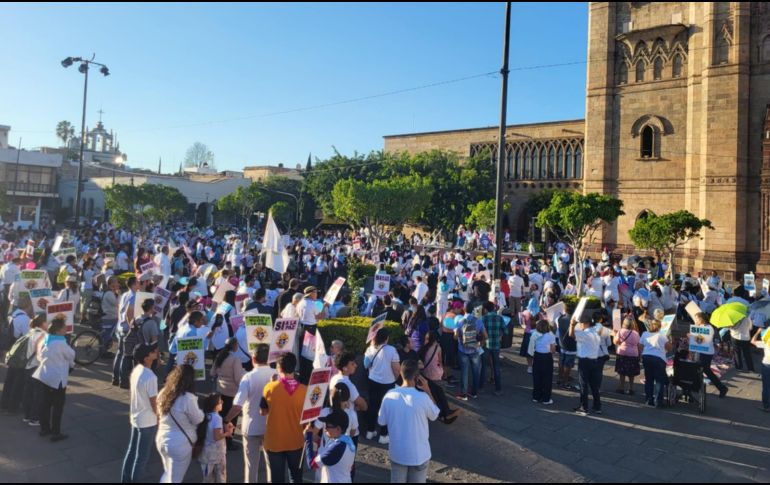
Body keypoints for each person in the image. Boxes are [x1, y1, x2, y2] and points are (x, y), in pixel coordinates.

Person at [378, 359, 440, 484]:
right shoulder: (423, 398)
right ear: (417, 377)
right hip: (419, 454)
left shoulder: (389, 395)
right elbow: (434, 415)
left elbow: (381, 421)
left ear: (401, 373)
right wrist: (428, 390)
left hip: (398, 453)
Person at [224, 344, 276, 483]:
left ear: (253, 358)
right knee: (271, 465)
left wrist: (226, 420)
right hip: (270, 427)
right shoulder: (276, 375)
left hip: (251, 427)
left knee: (251, 466)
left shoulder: (248, 377)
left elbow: (237, 405)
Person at [260, 352, 306, 484]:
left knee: (277, 479)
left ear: (279, 368)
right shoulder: (304, 390)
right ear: (294, 367)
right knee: (296, 478)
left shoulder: (269, 387)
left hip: (275, 441)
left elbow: (263, 411)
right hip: (296, 441)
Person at [156, 365, 205, 483]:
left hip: (162, 439)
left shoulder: (163, 393)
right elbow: (198, 419)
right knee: (175, 479)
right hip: (180, 443)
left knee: (168, 474)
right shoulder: (188, 398)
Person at [32, 317, 76, 441]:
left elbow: (40, 355)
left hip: (45, 376)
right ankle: (56, 433)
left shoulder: (46, 339)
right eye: (64, 327)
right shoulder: (61, 343)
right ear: (58, 330)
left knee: (45, 404)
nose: (66, 328)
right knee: (58, 406)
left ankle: (44, 429)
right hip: (58, 379)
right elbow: (71, 355)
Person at [121, 343, 159, 483]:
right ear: (146, 357)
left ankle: (125, 480)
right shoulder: (151, 377)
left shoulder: (137, 370)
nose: (155, 351)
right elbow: (154, 402)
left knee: (131, 452)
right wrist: (160, 418)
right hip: (147, 421)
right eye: (152, 351)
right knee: (142, 458)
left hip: (136, 416)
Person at [363, 328, 400, 444]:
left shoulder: (370, 349)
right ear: (387, 338)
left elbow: (365, 365)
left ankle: (370, 431)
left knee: (373, 406)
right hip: (388, 383)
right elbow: (396, 369)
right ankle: (383, 435)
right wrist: (395, 379)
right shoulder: (392, 350)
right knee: (386, 408)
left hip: (372, 380)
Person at [210, 337, 245, 451]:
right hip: (231, 392)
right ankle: (229, 442)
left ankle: (219, 438)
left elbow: (212, 372)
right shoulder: (235, 359)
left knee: (220, 416)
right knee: (231, 418)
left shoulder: (220, 356)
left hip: (220, 390)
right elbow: (238, 378)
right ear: (234, 346)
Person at [309, 408, 357, 484]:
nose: (325, 429)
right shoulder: (348, 441)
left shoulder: (336, 448)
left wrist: (308, 438)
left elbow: (312, 464)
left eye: (327, 426)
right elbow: (351, 467)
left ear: (338, 429)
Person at [570, 313, 602, 415]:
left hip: (585, 361)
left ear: (585, 323)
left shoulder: (585, 334)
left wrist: (572, 324)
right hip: (594, 360)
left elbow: (571, 335)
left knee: (583, 384)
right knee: (594, 385)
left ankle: (584, 407)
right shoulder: (596, 331)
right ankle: (597, 406)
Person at [197, 393, 233, 483]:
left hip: (205, 453)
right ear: (215, 405)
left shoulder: (205, 416)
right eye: (220, 401)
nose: (222, 402)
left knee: (208, 479)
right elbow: (217, 437)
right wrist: (227, 433)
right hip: (217, 453)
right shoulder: (217, 418)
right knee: (221, 477)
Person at [691, 312, 728, 398]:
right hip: (701, 351)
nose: (695, 320)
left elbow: (701, 339)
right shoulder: (702, 327)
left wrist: (693, 335)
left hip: (706, 352)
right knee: (701, 369)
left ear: (701, 319)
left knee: (705, 370)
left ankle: (722, 388)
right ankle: (697, 387)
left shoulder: (709, 328)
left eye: (697, 318)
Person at [454, 304, 487, 401]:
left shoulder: (460, 321)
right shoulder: (478, 321)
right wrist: (481, 344)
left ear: (464, 309)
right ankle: (474, 392)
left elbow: (455, 337)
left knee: (464, 371)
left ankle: (464, 394)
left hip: (463, 349)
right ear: (473, 310)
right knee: (476, 371)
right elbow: (486, 335)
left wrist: (459, 338)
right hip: (475, 349)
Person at [22, 314, 48, 426]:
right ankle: (34, 418)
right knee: (38, 394)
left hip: (27, 366)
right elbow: (43, 354)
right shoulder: (44, 335)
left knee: (28, 392)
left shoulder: (30, 332)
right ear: (43, 323)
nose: (49, 324)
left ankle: (27, 416)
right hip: (37, 367)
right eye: (48, 322)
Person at [640, 319, 671, 408]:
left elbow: (640, 346)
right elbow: (669, 348)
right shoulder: (662, 335)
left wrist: (645, 352)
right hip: (659, 358)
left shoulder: (644, 334)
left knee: (649, 379)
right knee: (659, 380)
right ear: (660, 326)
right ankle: (658, 401)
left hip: (647, 357)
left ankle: (648, 400)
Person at [480, 301, 508, 396]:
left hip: (486, 344)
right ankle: (498, 389)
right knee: (496, 366)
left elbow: (480, 331)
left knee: (483, 366)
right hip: (496, 344)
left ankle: (481, 386)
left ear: (485, 309)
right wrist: (500, 335)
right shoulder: (499, 318)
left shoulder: (483, 318)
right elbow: (505, 330)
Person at [529, 319, 556, 405]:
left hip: (537, 356)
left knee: (537, 377)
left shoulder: (534, 333)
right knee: (547, 378)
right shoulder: (551, 335)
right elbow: (553, 350)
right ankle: (546, 398)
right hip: (547, 357)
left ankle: (536, 396)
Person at [612, 315, 641, 395]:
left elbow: (615, 342)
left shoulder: (620, 331)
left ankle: (621, 387)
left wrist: (615, 335)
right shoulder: (636, 333)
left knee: (622, 372)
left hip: (622, 353)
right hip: (633, 354)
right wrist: (640, 355)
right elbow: (639, 345)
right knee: (631, 373)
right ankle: (631, 388)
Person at [751, 327, 770, 412]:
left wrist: (757, 332)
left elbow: (753, 341)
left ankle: (766, 406)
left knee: (766, 386)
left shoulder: (767, 341)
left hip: (767, 364)